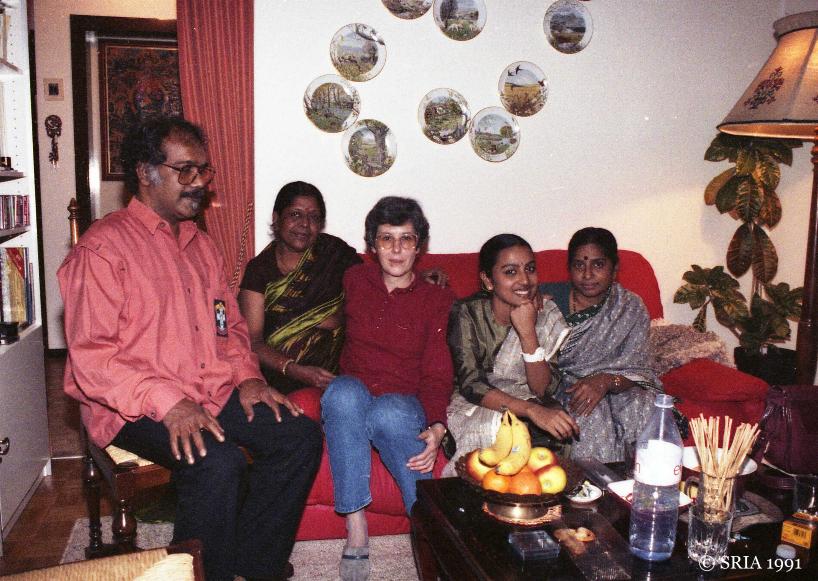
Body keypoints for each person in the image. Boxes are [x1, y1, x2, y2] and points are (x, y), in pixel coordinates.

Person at [58, 117, 322, 581]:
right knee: (217, 462)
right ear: (145, 172)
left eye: (203, 170)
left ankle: (254, 564)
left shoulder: (203, 248)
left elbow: (230, 328)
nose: (199, 182)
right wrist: (170, 403)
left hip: (209, 391)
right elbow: (93, 359)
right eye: (185, 170)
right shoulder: (102, 250)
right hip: (132, 406)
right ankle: (198, 574)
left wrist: (248, 378)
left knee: (298, 436)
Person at [320, 196, 455, 581]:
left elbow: (437, 370)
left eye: (406, 239)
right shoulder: (354, 279)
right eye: (386, 239)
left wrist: (437, 426)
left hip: (402, 403)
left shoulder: (437, 298)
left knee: (388, 412)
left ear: (419, 246)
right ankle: (356, 526)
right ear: (372, 245)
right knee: (342, 393)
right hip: (355, 395)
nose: (396, 249)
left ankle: (427, 523)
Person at [238, 182, 449, 394]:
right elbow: (253, 341)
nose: (305, 224)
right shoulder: (259, 270)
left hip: (334, 373)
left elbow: (378, 277)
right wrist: (295, 369)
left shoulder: (333, 253)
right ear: (276, 218)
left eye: (314, 217)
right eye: (295, 214)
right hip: (279, 372)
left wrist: (417, 277)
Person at [444, 234, 579, 475]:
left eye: (530, 269)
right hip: (476, 406)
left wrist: (528, 334)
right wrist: (531, 411)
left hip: (533, 402)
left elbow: (543, 389)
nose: (524, 280)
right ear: (488, 280)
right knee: (497, 433)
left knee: (560, 436)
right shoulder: (468, 313)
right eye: (510, 272)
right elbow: (472, 384)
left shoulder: (546, 314)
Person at [540, 227, 659, 462]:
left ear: (614, 269)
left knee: (643, 405)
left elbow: (641, 370)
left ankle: (647, 477)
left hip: (617, 382)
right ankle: (596, 482)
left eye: (598, 265)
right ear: (569, 269)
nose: (587, 274)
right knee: (589, 413)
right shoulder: (547, 300)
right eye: (579, 265)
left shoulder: (630, 307)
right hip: (562, 387)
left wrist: (605, 381)